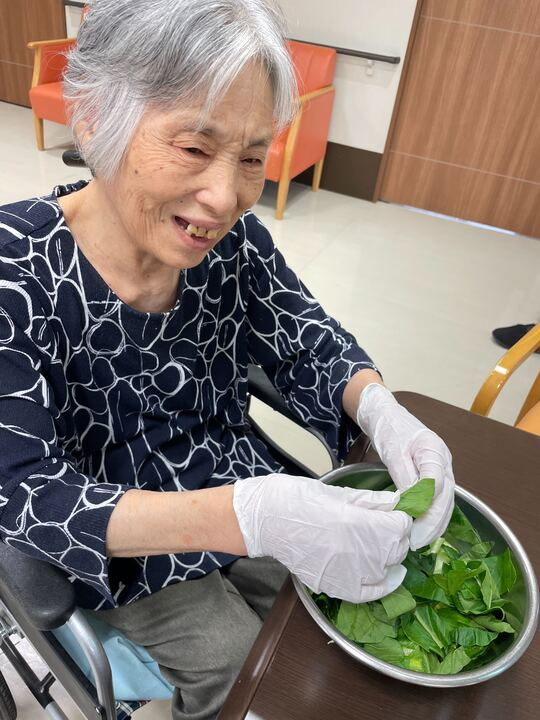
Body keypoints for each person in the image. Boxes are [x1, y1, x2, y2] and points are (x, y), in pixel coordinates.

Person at [0, 1, 454, 718]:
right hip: (121, 554)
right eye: (192, 148)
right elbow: (24, 493)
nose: (225, 197)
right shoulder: (14, 273)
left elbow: (305, 335)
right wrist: (247, 516)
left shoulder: (230, 247)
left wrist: (378, 407)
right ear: (91, 117)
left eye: (250, 158)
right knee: (256, 680)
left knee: (369, 617)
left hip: (238, 482)